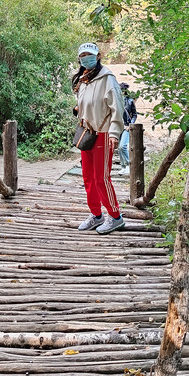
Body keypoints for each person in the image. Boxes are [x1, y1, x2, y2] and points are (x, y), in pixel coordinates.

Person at [72, 42, 125, 234]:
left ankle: (116, 217)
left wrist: (114, 133)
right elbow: (87, 103)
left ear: (98, 56)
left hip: (103, 134)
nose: (86, 57)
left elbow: (117, 108)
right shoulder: (84, 79)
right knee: (88, 178)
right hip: (88, 133)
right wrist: (78, 110)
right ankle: (96, 215)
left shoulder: (107, 78)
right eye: (83, 55)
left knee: (101, 178)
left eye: (89, 54)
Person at [118, 83, 138, 176]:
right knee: (119, 148)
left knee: (123, 146)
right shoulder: (116, 100)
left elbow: (134, 114)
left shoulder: (130, 101)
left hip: (126, 126)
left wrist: (130, 125)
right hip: (118, 126)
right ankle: (123, 166)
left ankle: (129, 165)